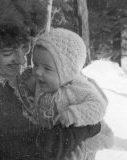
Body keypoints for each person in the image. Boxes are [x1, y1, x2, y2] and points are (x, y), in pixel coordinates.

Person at [0, 0, 101, 159]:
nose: (22, 60)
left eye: (25, 47)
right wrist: (89, 126)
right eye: (8, 52)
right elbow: (37, 150)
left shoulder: (21, 78)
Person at [23, 28, 114, 160]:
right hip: (54, 141)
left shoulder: (77, 87)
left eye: (46, 68)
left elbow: (99, 106)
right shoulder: (41, 81)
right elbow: (30, 89)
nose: (37, 72)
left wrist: (73, 114)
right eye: (35, 64)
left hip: (78, 145)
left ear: (66, 71)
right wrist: (25, 80)